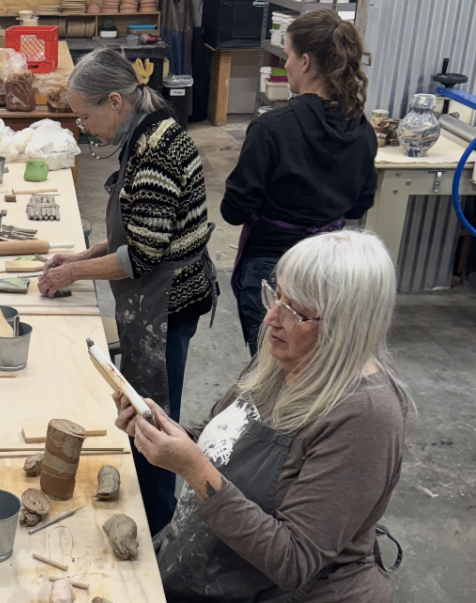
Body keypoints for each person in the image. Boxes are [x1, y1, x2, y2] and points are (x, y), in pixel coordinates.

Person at [116, 230, 407, 602]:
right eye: (277, 295)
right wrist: (161, 433)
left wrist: (192, 468)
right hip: (202, 568)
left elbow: (294, 561)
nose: (271, 317)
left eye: (295, 311)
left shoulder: (366, 419)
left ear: (346, 326)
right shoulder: (283, 354)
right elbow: (226, 438)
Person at [37, 48, 217, 535]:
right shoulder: (145, 132)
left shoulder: (156, 150)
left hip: (169, 304)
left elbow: (141, 257)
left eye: (85, 115)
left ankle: (158, 528)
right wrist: (77, 257)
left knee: (154, 419)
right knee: (141, 412)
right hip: (157, 296)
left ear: (115, 101)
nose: (83, 126)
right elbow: (133, 235)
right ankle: (148, 504)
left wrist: (73, 275)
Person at [222, 9, 376, 355]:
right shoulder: (362, 131)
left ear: (305, 62)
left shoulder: (272, 128)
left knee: (270, 372)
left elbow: (235, 209)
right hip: (328, 271)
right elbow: (360, 203)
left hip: (273, 269)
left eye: (287, 56)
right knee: (316, 369)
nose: (285, 65)